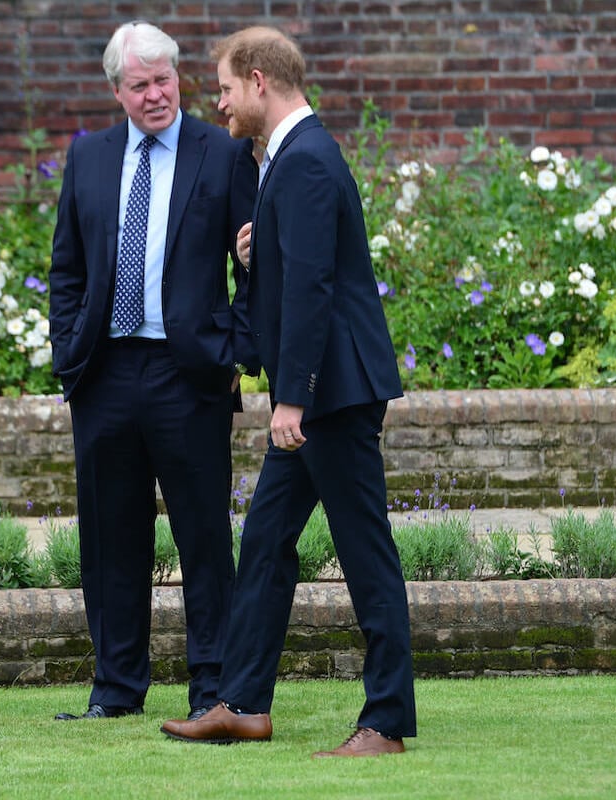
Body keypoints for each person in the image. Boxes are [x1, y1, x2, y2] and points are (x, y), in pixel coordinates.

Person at [159, 26, 416, 757]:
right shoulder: (288, 160)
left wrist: (292, 399)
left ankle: (386, 722)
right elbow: (293, 269)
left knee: (366, 552)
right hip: (319, 391)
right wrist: (256, 252)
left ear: (261, 79)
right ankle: (241, 703)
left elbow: (313, 290)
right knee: (266, 540)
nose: (220, 101)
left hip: (330, 396)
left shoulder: (303, 160)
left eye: (226, 87)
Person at [48, 21, 257, 722]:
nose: (156, 94)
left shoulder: (222, 153)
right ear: (117, 91)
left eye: (164, 79)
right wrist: (69, 353)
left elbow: (255, 266)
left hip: (189, 374)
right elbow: (67, 269)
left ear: (179, 78)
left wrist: (235, 351)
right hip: (104, 374)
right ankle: (115, 690)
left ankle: (212, 691)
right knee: (110, 540)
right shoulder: (90, 159)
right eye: (140, 85)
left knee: (203, 539)